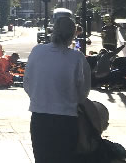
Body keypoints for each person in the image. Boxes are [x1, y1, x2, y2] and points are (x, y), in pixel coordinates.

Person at [23, 16, 91, 163]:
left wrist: (40, 98)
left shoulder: (37, 51)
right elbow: (83, 92)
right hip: (66, 119)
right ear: (73, 34)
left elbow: (27, 83)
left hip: (39, 117)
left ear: (53, 31)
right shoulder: (77, 58)